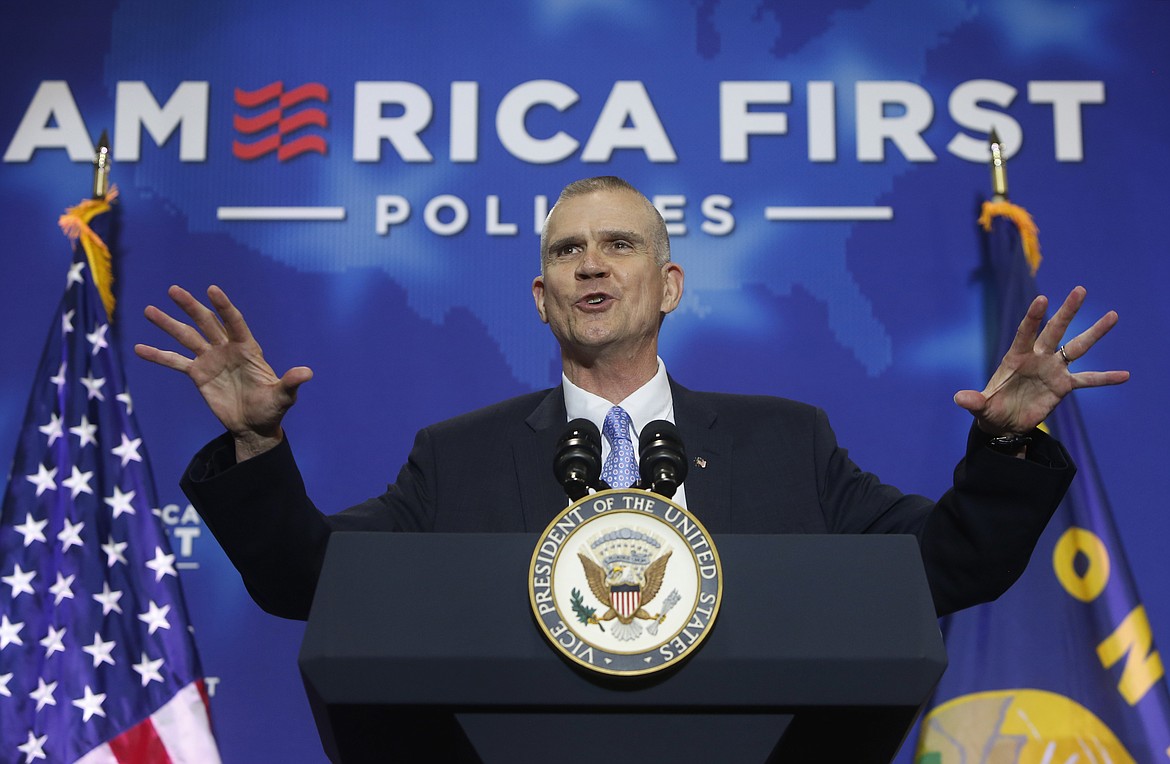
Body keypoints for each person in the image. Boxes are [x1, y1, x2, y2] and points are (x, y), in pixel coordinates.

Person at [134, 176, 1128, 620]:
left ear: (669, 283)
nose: (592, 267)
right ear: (541, 295)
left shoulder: (786, 442)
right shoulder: (459, 456)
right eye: (567, 250)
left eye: (620, 246)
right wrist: (259, 442)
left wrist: (1005, 449)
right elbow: (309, 583)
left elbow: (947, 564)